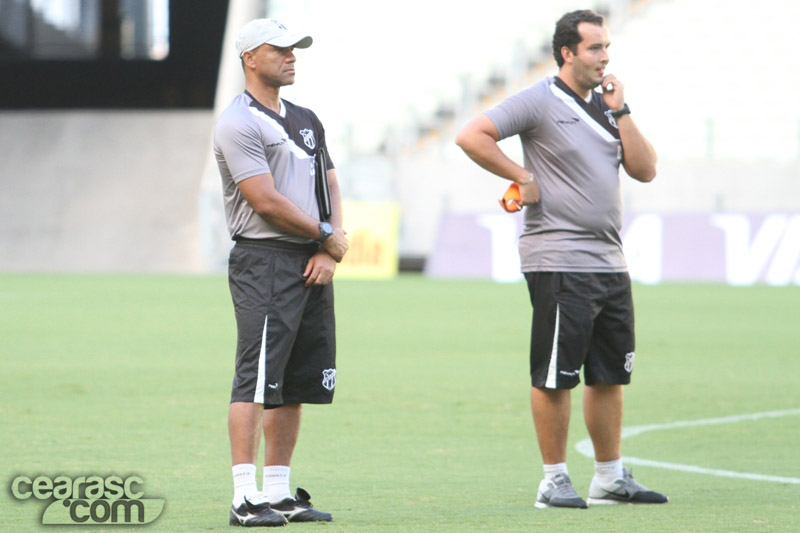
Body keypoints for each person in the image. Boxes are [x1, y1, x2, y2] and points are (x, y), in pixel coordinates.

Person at [455, 9, 668, 509]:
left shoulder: (607, 107)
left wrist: (623, 110)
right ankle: (553, 481)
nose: (605, 57)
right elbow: (471, 135)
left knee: (610, 373)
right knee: (555, 374)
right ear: (568, 52)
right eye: (595, 48)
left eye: (607, 48)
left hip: (610, 260)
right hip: (558, 257)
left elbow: (646, 170)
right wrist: (522, 176)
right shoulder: (539, 100)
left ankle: (609, 477)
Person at [213, 18, 348, 527]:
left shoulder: (306, 117)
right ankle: (244, 497)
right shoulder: (237, 122)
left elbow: (330, 181)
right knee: (255, 379)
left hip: (312, 258)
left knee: (295, 382)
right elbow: (265, 201)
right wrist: (324, 236)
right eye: (280, 50)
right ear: (250, 57)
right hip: (265, 260)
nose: (292, 57)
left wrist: (329, 248)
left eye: (295, 50)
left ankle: (279, 491)